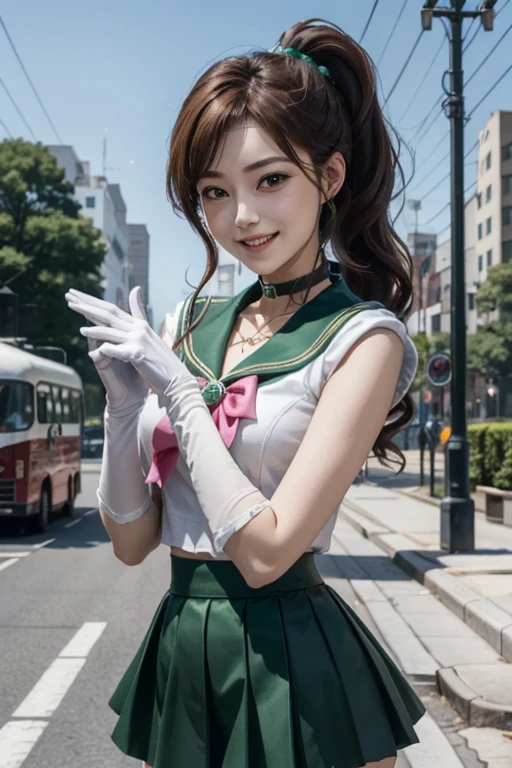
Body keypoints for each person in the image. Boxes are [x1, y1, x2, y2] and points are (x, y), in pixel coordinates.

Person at [65, 18, 425, 768]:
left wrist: (180, 394)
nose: (242, 218)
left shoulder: (364, 339)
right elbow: (133, 543)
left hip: (295, 659)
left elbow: (265, 553)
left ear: (327, 179)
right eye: (214, 192)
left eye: (270, 180)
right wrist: (125, 407)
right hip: (185, 652)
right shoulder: (188, 324)